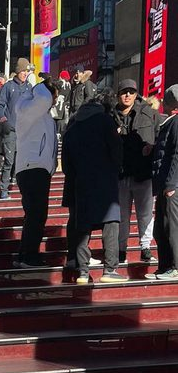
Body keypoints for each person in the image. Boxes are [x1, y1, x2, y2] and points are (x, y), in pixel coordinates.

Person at [62, 92, 124, 284]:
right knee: (111, 224)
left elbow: (65, 164)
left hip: (81, 182)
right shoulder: (106, 122)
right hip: (105, 181)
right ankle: (110, 270)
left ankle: (82, 271)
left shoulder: (72, 127)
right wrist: (116, 170)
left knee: (83, 228)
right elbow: (117, 151)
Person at [112, 79, 161, 265]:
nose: (128, 95)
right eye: (124, 91)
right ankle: (121, 249)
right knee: (121, 215)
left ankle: (145, 247)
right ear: (118, 94)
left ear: (136, 94)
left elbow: (159, 136)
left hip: (143, 173)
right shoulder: (110, 115)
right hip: (121, 173)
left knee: (146, 214)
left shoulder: (149, 113)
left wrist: (152, 148)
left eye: (131, 92)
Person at [14, 78, 59, 268]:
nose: (55, 100)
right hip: (34, 167)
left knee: (33, 214)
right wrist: (43, 85)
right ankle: (29, 256)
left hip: (34, 167)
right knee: (37, 214)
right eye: (54, 96)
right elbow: (42, 99)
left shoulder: (38, 113)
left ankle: (26, 254)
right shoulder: (32, 110)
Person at [0, 57, 32, 199]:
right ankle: (3, 190)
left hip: (25, 130)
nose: (25, 74)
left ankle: (18, 182)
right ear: (17, 71)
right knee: (9, 160)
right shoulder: (8, 86)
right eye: (23, 71)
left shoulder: (29, 87)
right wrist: (3, 119)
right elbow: (0, 104)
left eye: (26, 71)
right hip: (11, 130)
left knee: (21, 160)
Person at [152, 84, 178, 279]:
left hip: (171, 186)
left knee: (171, 227)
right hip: (164, 184)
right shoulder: (169, 123)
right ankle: (165, 266)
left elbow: (176, 155)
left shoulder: (176, 123)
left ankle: (174, 266)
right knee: (160, 227)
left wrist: (171, 184)